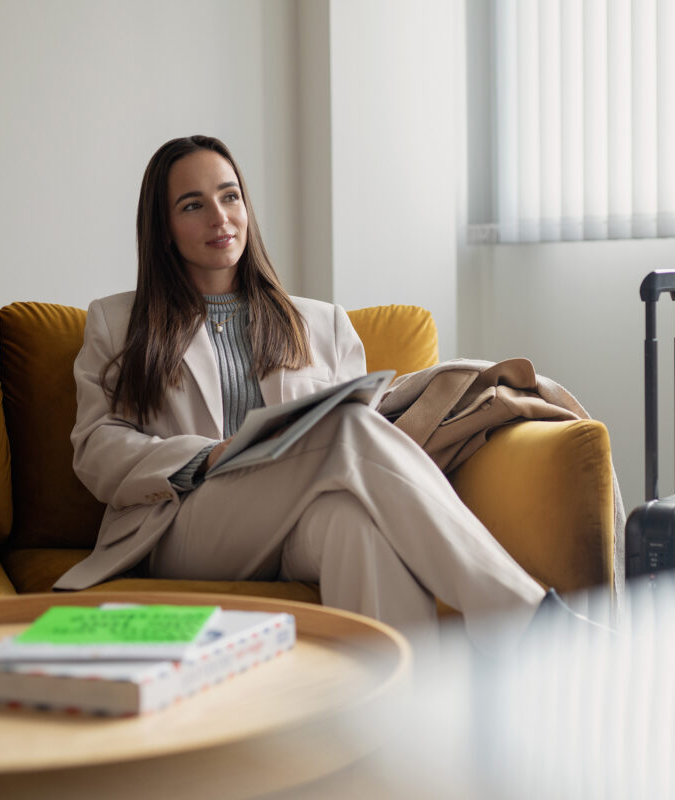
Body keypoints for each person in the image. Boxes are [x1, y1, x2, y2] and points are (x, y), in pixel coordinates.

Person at [53, 135, 550, 655]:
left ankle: (401, 717)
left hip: (294, 522)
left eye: (230, 197)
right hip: (185, 523)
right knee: (348, 428)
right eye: (193, 205)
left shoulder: (322, 323)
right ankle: (523, 619)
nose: (220, 218)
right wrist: (206, 456)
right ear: (164, 227)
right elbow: (95, 449)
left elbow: (363, 453)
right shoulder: (116, 322)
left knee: (359, 527)